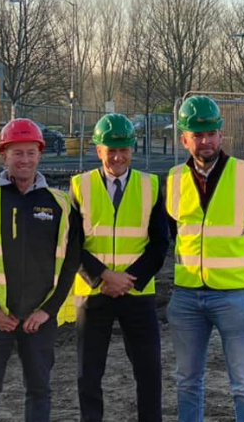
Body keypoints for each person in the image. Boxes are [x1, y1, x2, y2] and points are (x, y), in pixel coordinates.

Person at [0, 118, 81, 422]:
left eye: (30, 152)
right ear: (4, 156)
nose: (24, 160)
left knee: (39, 390)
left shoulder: (60, 204)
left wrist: (47, 311)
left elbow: (70, 263)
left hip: (39, 320)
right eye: (17, 153)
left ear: (40, 154)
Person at [165, 96, 244, 422]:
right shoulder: (173, 180)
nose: (205, 140)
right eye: (197, 135)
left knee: (243, 384)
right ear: (184, 139)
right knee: (187, 382)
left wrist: (230, 259)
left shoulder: (243, 173)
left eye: (211, 133)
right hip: (186, 296)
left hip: (233, 296)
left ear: (221, 135)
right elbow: (174, 229)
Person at [71, 113, 170, 422]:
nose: (117, 156)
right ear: (98, 150)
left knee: (149, 372)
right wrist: (103, 277)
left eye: (123, 149)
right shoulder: (79, 186)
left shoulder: (150, 185)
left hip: (137, 293)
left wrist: (130, 280)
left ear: (132, 149)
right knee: (88, 374)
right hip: (93, 293)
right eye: (110, 150)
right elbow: (73, 244)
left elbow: (159, 243)